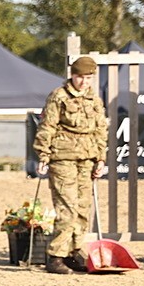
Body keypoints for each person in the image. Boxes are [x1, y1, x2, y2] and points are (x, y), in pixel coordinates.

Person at [33, 56, 108, 274]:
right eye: (80, 77)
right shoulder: (59, 96)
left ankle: (74, 251)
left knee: (83, 207)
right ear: (72, 75)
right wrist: (43, 155)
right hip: (62, 157)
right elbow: (47, 126)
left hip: (87, 157)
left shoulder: (94, 99)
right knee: (67, 207)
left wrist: (100, 158)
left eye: (88, 77)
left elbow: (100, 129)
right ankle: (56, 255)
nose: (84, 82)